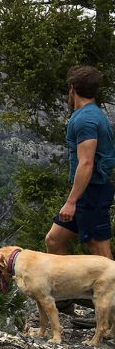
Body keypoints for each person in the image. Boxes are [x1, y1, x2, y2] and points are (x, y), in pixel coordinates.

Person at [44, 65, 115, 317]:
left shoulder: (86, 120)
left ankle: (108, 316)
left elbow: (86, 163)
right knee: (54, 240)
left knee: (101, 255)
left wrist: (72, 201)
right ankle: (65, 301)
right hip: (86, 192)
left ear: (72, 89)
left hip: (91, 194)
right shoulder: (91, 114)